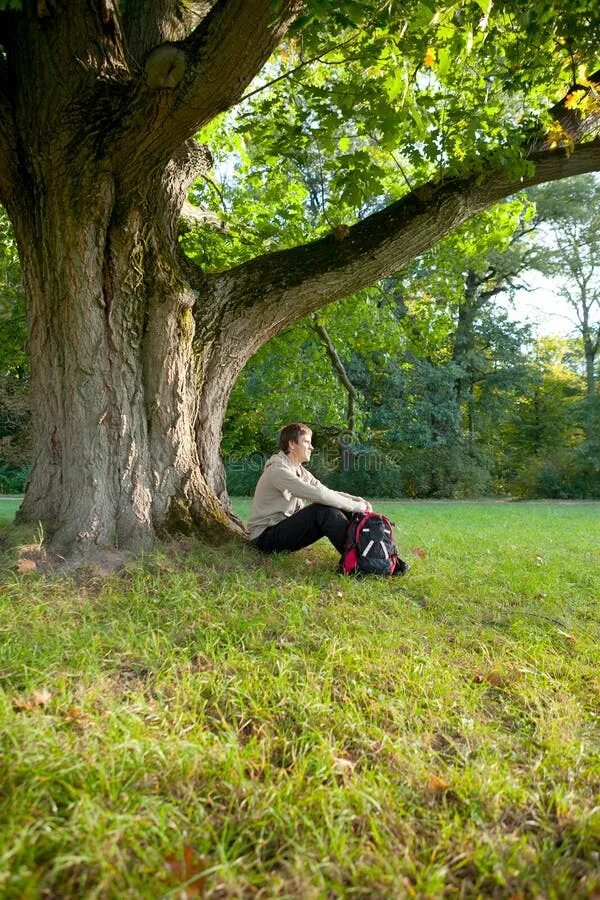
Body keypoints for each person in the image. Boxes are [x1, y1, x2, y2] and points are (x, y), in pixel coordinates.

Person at [248, 423, 372, 555]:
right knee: (323, 510)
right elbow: (320, 495)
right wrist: (356, 506)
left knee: (340, 508)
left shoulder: (299, 471)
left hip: (282, 530)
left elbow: (325, 491)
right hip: (264, 538)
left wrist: (359, 501)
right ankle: (358, 560)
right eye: (307, 442)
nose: (311, 447)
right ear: (292, 444)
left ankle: (372, 555)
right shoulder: (278, 470)